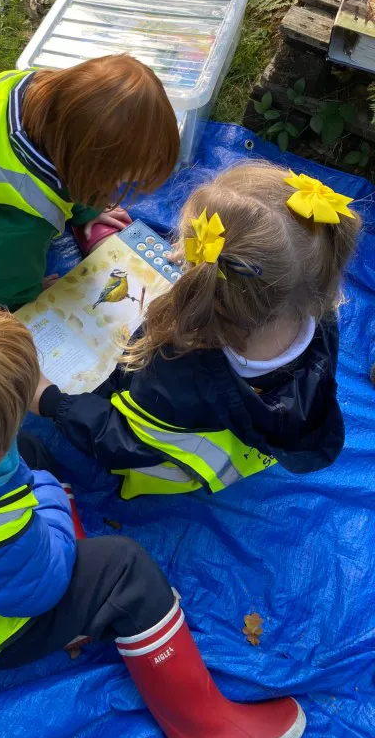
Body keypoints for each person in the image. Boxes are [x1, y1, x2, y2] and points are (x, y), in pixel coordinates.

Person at [0, 304, 305, 738]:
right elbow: (41, 587)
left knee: (33, 453)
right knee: (125, 568)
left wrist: (16, 465)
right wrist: (43, 496)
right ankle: (206, 726)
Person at [35, 164, 360, 499]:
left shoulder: (173, 368)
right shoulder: (322, 319)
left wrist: (53, 402)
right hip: (247, 438)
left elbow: (124, 441)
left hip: (170, 460)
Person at [0, 54, 179, 312]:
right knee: (14, 263)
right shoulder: (26, 210)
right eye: (115, 178)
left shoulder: (21, 85)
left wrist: (86, 209)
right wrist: (30, 296)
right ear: (82, 168)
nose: (117, 186)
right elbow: (3, 277)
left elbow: (62, 151)